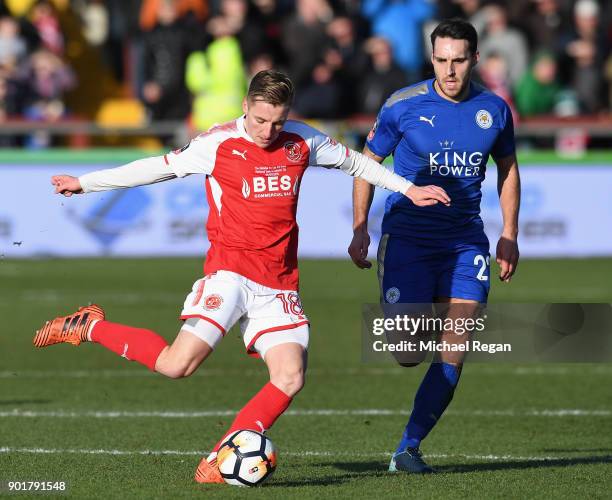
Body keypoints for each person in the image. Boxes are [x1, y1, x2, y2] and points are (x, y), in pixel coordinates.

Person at [33, 70, 450, 485]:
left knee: (290, 376)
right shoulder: (217, 143)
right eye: (260, 120)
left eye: (278, 122)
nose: (268, 131)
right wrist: (84, 184)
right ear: (246, 107)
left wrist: (407, 189)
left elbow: (356, 162)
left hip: (279, 283)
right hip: (229, 274)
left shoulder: (302, 140)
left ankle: (218, 459)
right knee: (177, 366)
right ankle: (90, 325)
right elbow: (154, 169)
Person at [348, 19, 520, 473]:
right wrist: (361, 225)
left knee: (457, 341)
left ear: (475, 59)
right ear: (432, 59)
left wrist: (509, 234)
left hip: (465, 241)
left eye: (459, 60)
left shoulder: (494, 110)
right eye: (442, 60)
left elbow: (508, 170)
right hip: (408, 239)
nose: (450, 70)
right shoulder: (402, 105)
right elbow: (368, 162)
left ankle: (408, 448)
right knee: (408, 352)